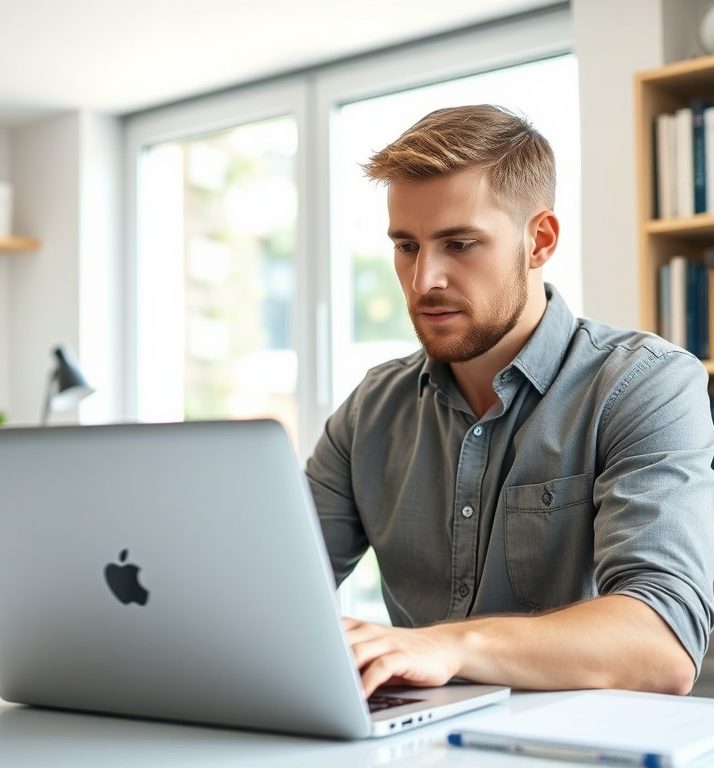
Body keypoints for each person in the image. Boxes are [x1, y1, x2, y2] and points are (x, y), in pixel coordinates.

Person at [305, 105, 714, 699]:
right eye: (406, 246)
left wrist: (447, 644)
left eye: (460, 243)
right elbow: (270, 592)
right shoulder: (372, 408)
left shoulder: (646, 384)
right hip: (422, 741)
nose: (424, 281)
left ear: (538, 240)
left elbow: (662, 646)